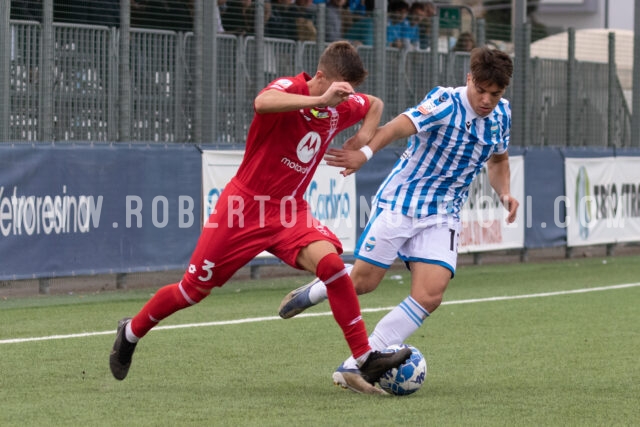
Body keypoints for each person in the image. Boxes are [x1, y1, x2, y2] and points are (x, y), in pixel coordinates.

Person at [109, 41, 411, 394]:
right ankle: (130, 332)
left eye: (348, 93)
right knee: (191, 291)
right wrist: (318, 100)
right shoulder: (290, 90)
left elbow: (374, 104)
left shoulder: (341, 105)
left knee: (332, 266)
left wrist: (361, 138)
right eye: (341, 91)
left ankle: (364, 358)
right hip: (244, 209)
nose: (347, 100)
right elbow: (262, 103)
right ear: (320, 77)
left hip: (289, 211)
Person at [278, 46, 519, 393]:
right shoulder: (444, 103)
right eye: (480, 90)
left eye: (494, 94)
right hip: (401, 204)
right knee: (363, 282)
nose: (486, 100)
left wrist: (504, 193)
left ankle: (359, 364)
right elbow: (393, 128)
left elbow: (498, 161)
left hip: (443, 214)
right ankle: (316, 290)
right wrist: (363, 153)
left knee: (431, 294)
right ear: (469, 78)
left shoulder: (501, 115)